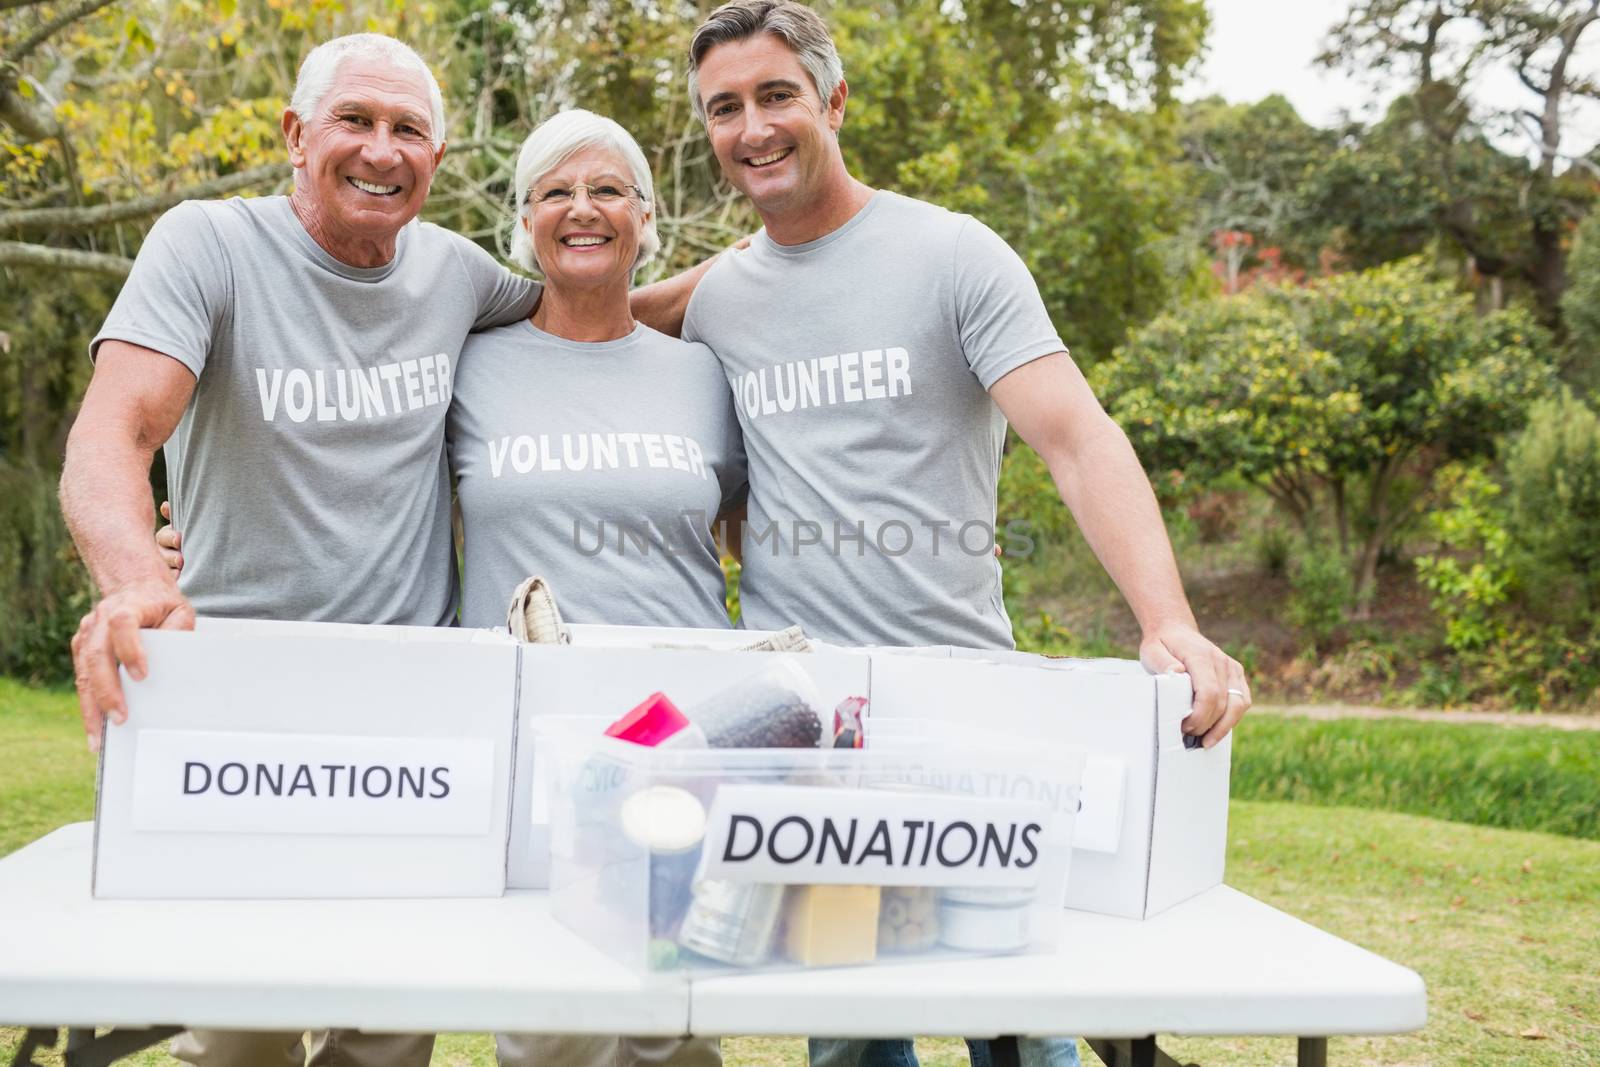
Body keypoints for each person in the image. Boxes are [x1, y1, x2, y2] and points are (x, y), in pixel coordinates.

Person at [60, 33, 702, 1067]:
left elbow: (587, 298)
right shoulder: (207, 246)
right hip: (235, 699)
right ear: (293, 134)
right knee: (240, 1034)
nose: (380, 148)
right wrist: (137, 575)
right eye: (355, 120)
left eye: (408, 129)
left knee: (386, 1031)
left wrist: (764, 285)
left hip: (413, 710)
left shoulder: (455, 276)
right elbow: (111, 432)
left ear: (436, 165)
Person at [676, 4, 1254, 1067]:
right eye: (724, 108)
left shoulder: (951, 254)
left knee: (1022, 1024)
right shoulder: (716, 297)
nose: (751, 127)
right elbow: (589, 308)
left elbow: (1076, 438)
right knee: (851, 1036)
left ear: (834, 101)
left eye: (774, 96)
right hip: (813, 728)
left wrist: (1167, 620)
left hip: (967, 706)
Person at [446, 111, 744, 1067]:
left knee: (676, 1024)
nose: (583, 209)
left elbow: (744, 522)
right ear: (524, 219)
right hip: (533, 732)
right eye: (557, 192)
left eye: (609, 189)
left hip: (682, 734)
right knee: (548, 1027)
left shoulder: (704, 373)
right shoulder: (466, 362)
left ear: (647, 220)